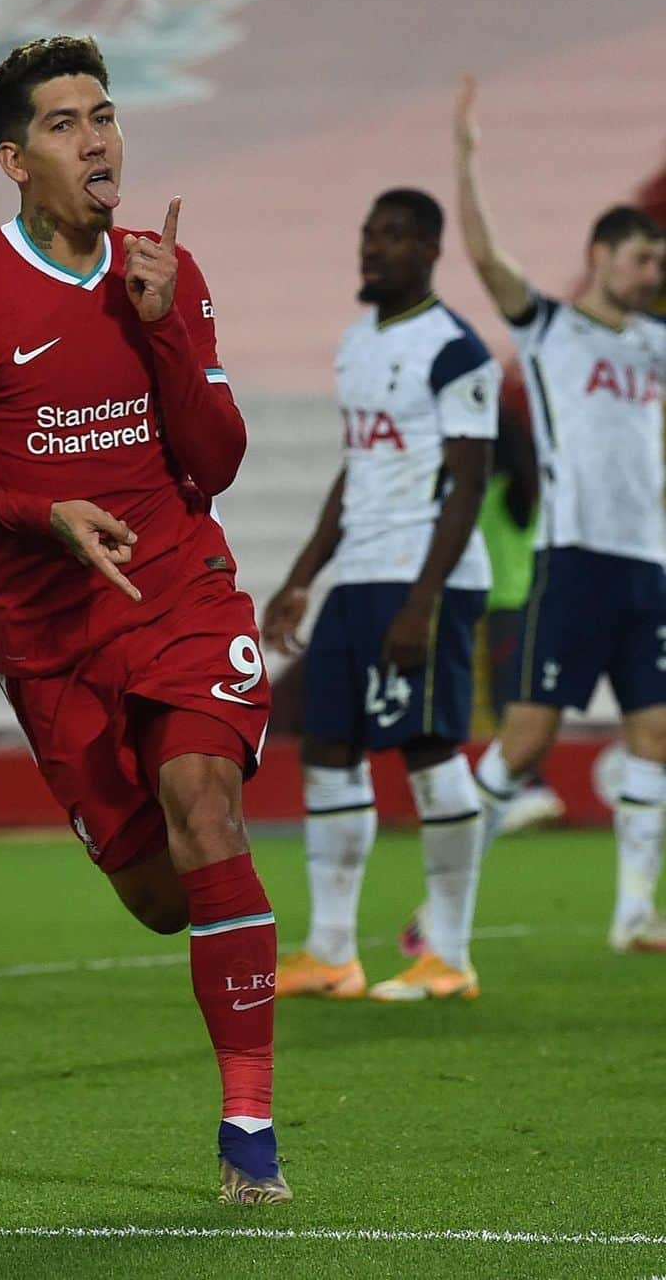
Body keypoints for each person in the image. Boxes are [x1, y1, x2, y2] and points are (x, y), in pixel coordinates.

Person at [0, 35, 289, 1205]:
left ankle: (249, 1131)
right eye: (63, 123)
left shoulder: (165, 270)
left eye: (102, 113)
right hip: (47, 631)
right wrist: (35, 512)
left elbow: (218, 459)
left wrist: (162, 325)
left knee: (203, 804)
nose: (97, 138)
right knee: (161, 897)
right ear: (14, 159)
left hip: (180, 590)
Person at [263, 188, 500, 1003]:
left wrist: (423, 602)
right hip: (360, 574)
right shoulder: (358, 344)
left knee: (430, 753)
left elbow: (469, 485)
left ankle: (451, 952)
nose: (374, 248)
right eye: (369, 234)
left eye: (394, 236)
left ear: (431, 251)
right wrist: (302, 575)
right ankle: (332, 950)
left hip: (422, 578)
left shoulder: (456, 351)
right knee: (328, 751)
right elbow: (355, 468)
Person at [449, 74, 666, 952]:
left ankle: (632, 914)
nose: (655, 273)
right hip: (573, 558)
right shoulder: (550, 329)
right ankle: (445, 897)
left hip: (648, 562)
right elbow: (489, 262)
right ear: (604, 255)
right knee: (528, 736)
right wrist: (465, 164)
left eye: (660, 263)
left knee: (655, 731)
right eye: (644, 259)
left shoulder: (658, 343)